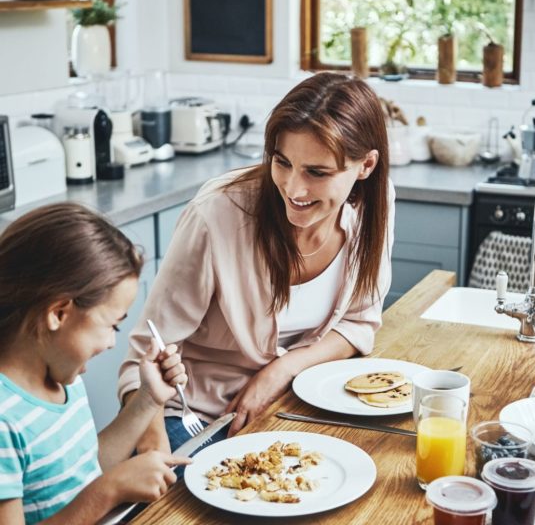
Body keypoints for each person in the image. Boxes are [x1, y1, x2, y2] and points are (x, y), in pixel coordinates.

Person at [118, 72, 394, 453]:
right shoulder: (216, 215)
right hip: (193, 415)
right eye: (282, 162)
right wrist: (156, 455)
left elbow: (359, 322)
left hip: (291, 401)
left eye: (317, 172)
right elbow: (143, 360)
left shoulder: (373, 207)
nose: (294, 189)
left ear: (365, 166)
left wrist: (280, 370)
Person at [0, 203, 191, 525]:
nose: (111, 343)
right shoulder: (5, 418)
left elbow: (83, 468)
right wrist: (108, 491)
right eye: (112, 325)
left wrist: (148, 399)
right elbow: (95, 489)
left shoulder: (64, 378)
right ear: (59, 313)